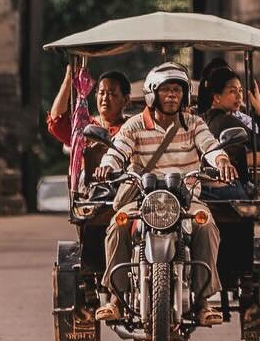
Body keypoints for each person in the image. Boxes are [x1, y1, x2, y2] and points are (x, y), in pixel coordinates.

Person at [94, 62, 233, 326]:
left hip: (185, 199)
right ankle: (115, 299)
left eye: (177, 91)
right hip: (141, 199)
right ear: (152, 94)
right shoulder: (134, 125)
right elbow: (117, 150)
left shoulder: (194, 123)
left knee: (206, 224)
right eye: (166, 90)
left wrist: (222, 161)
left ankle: (204, 302)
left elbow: (211, 147)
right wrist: (106, 167)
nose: (172, 95)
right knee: (117, 226)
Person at [46, 64, 130, 178]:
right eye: (101, 93)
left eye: (111, 93)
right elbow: (56, 122)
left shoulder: (131, 128)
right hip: (88, 192)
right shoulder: (85, 126)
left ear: (125, 100)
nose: (105, 98)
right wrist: (69, 78)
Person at [197, 61, 260, 177]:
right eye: (232, 91)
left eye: (240, 90)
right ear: (217, 97)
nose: (239, 96)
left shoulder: (204, 118)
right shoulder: (227, 121)